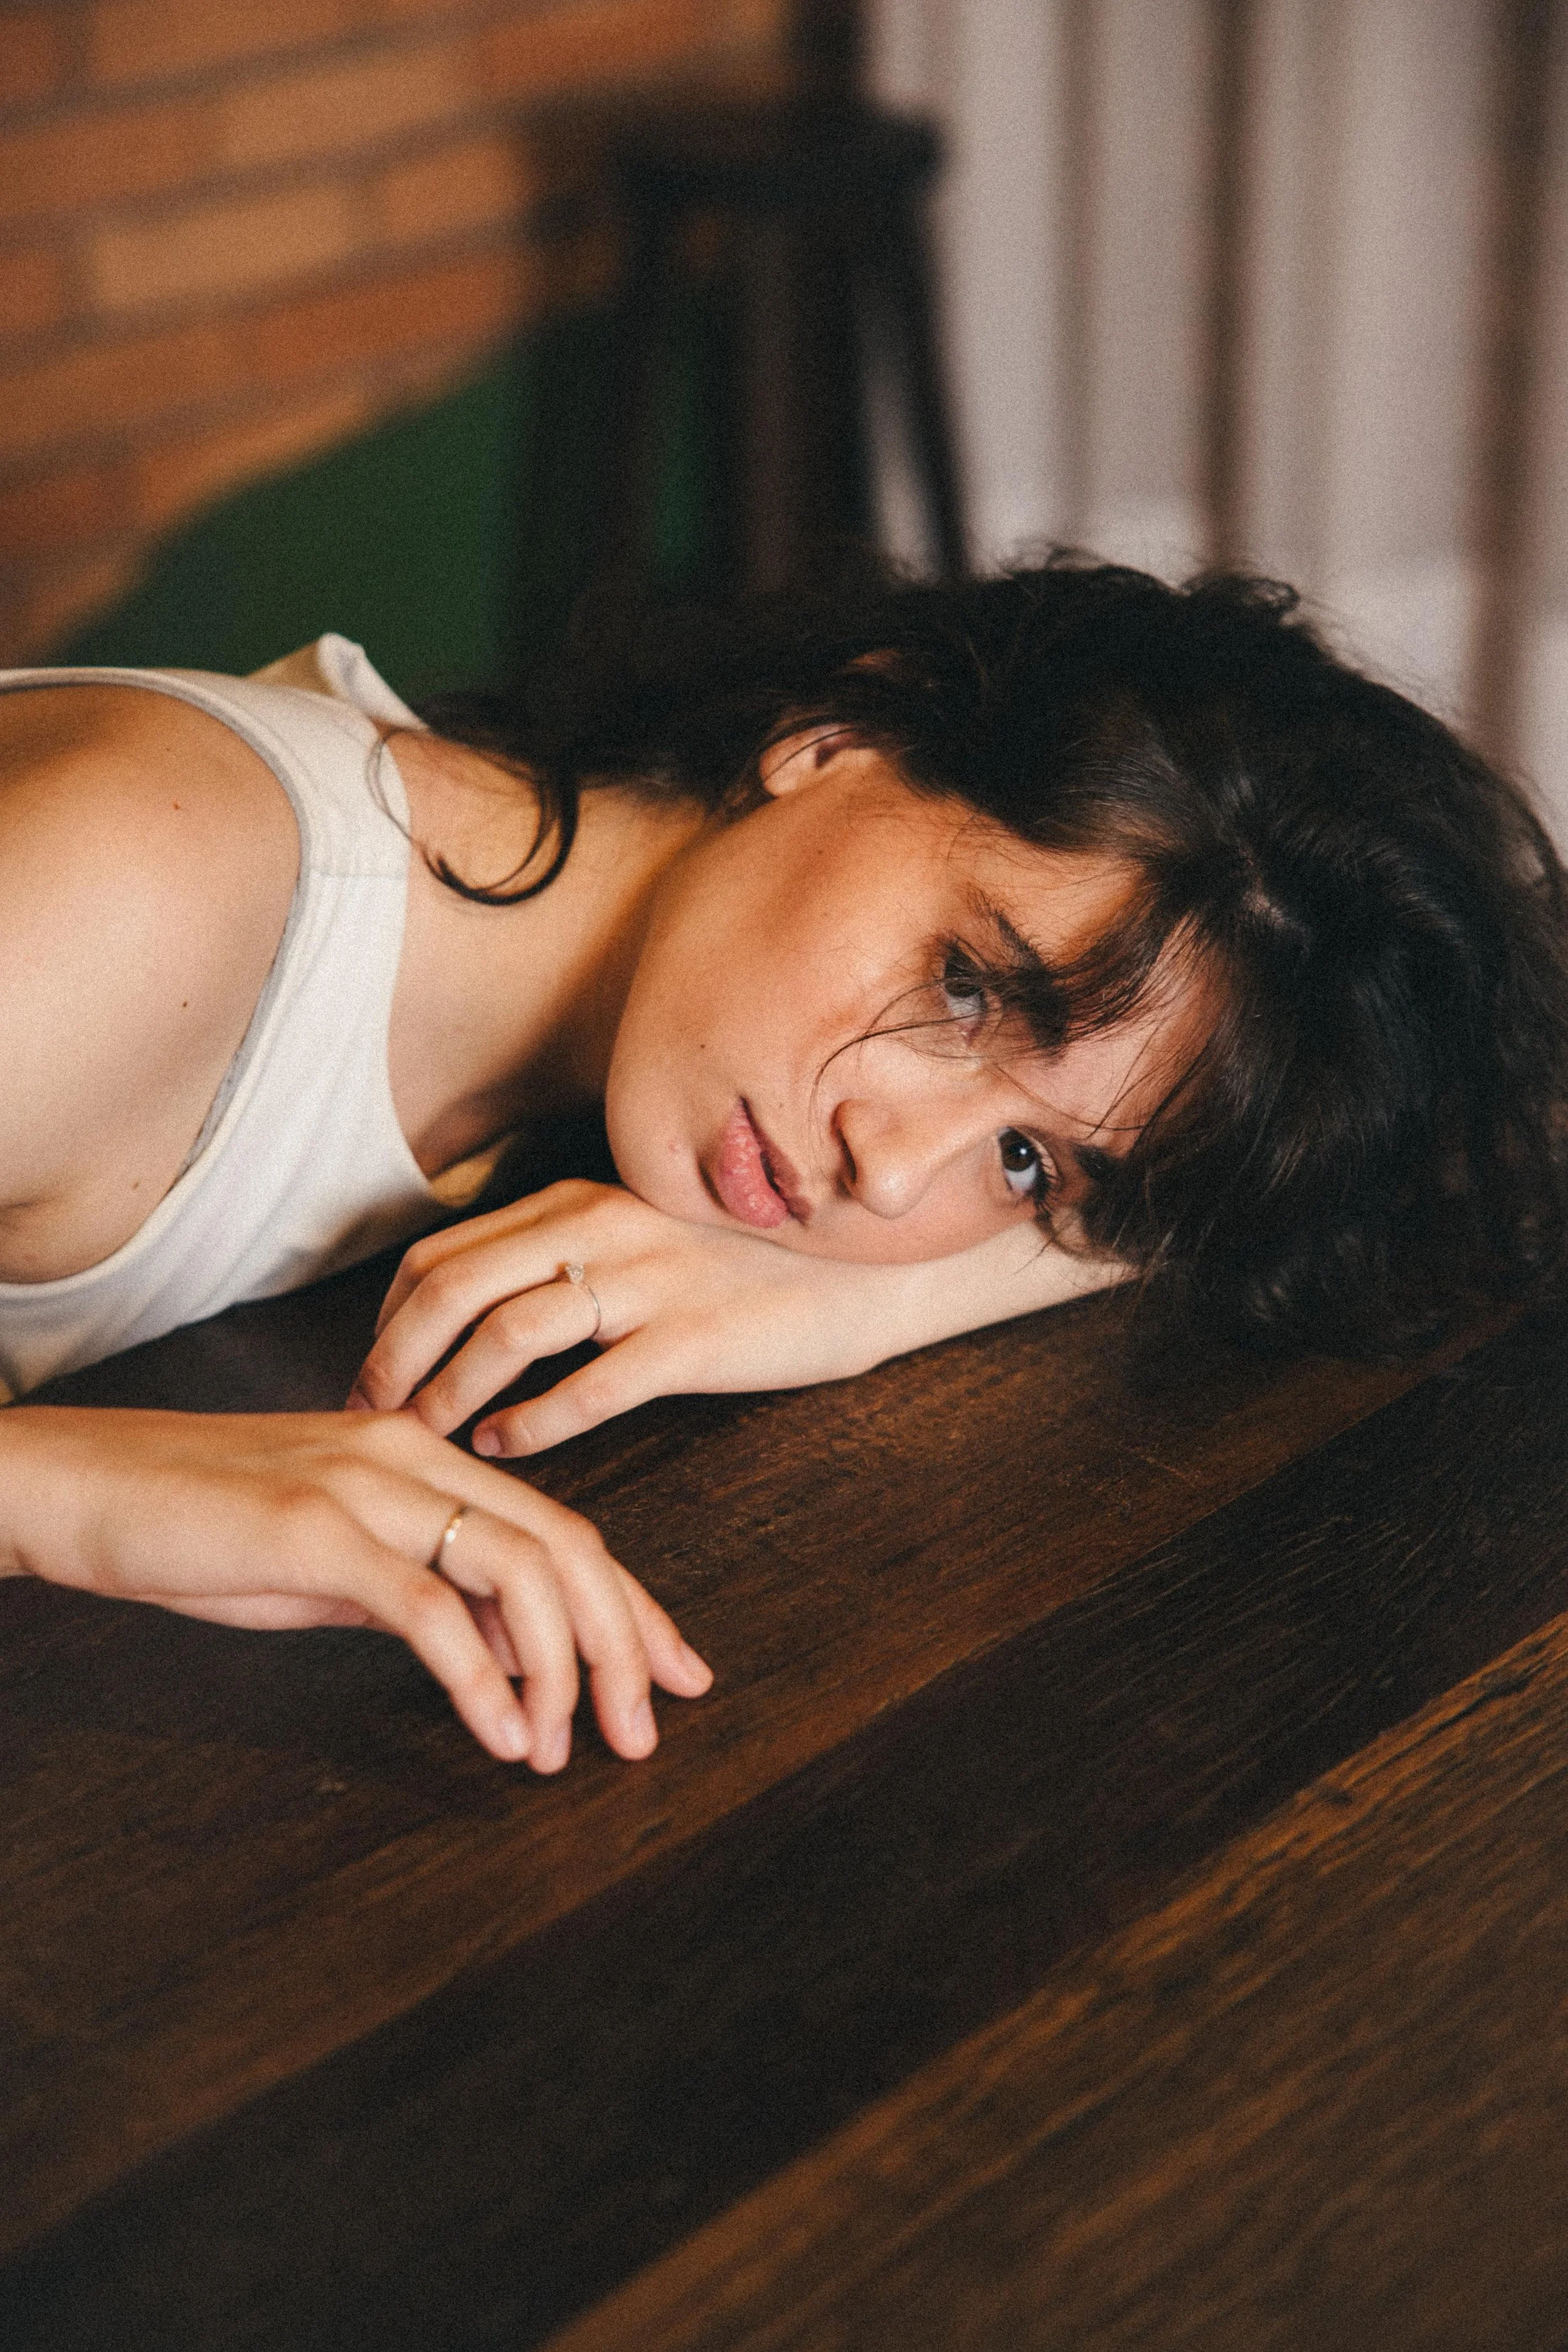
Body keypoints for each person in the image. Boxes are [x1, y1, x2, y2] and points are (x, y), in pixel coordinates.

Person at [3, 556, 1565, 1772]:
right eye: (964, 986)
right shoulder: (136, 894)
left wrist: (845, 1307)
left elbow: (1314, 1202)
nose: (890, 1174)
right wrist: (74, 1493)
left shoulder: (545, 981)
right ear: (834, 741)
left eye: (1027, 1166)